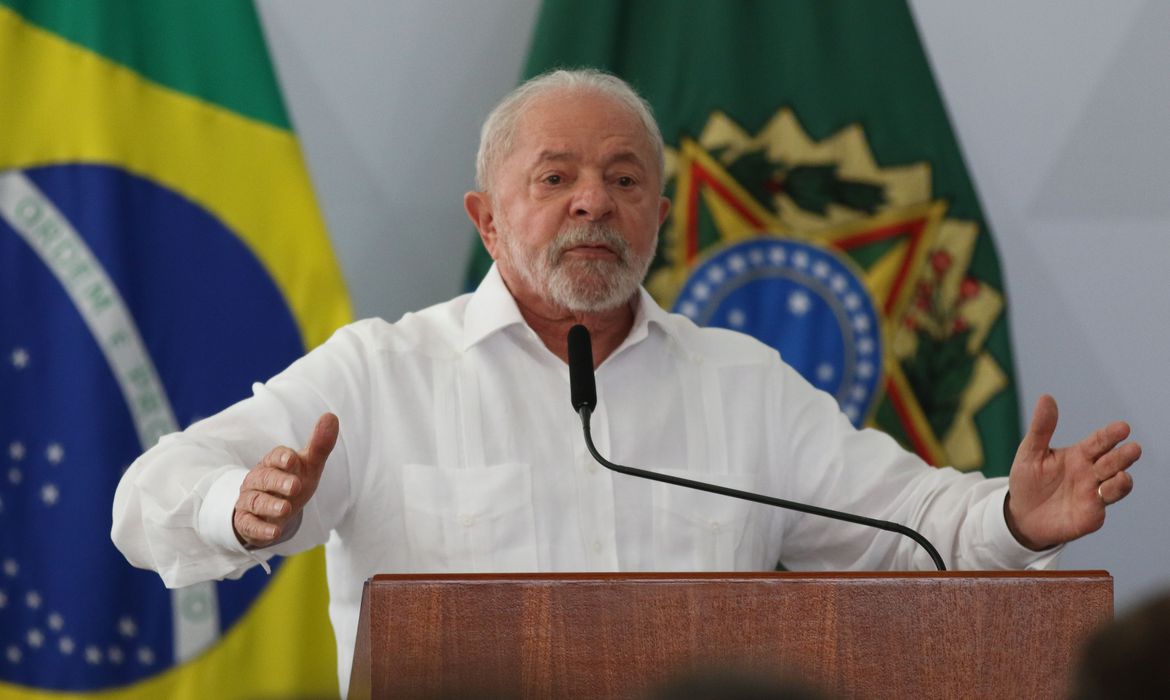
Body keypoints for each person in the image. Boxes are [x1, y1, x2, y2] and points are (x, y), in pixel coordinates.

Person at [111, 69, 1141, 694]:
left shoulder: (743, 385)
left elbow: (920, 525)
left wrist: (1014, 516)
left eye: (623, 179)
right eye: (554, 177)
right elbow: (141, 499)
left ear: (660, 212)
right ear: (486, 218)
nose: (591, 202)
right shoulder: (382, 373)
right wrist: (234, 509)